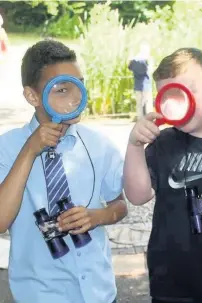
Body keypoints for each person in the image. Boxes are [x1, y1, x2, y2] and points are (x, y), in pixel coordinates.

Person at [0, 39, 127, 303]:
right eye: (62, 90)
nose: (75, 97)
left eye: (80, 85)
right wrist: (29, 150)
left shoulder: (99, 145)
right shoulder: (7, 147)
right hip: (41, 295)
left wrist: (97, 216)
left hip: (99, 293)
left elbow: (120, 205)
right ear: (32, 96)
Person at [123, 47, 202, 302]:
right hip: (171, 282)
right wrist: (134, 146)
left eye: (189, 90)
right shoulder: (163, 143)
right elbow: (137, 196)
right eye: (170, 96)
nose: (181, 102)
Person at [128, 42, 153, 120]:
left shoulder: (134, 60)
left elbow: (130, 68)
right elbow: (149, 70)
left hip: (137, 84)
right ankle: (149, 119)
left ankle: (140, 119)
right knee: (148, 103)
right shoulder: (146, 59)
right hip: (146, 84)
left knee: (139, 104)